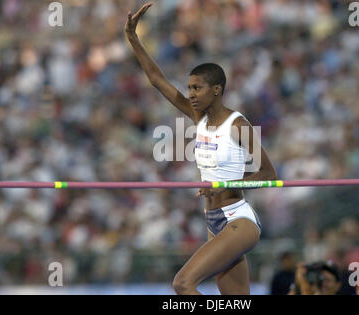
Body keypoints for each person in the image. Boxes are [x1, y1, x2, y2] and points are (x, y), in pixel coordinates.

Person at [124, 3, 277, 295]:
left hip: (238, 218)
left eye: (197, 88)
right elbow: (157, 80)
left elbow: (268, 172)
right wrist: (133, 39)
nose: (191, 95)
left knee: (183, 283)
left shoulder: (238, 124)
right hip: (213, 221)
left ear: (216, 90)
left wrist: (222, 185)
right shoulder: (198, 118)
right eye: (189, 88)